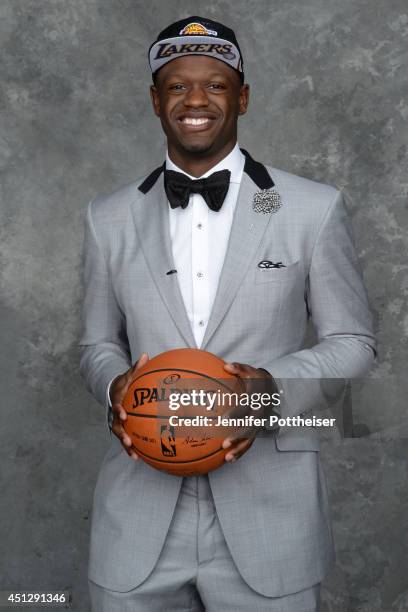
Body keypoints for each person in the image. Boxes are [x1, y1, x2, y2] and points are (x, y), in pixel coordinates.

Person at [79, 15, 376, 611]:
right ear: (155, 100)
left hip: (271, 515)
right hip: (137, 517)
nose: (195, 100)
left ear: (242, 96)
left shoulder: (313, 208)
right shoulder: (106, 217)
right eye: (177, 85)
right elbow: (95, 345)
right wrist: (117, 388)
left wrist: (267, 392)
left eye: (215, 85)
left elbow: (354, 343)